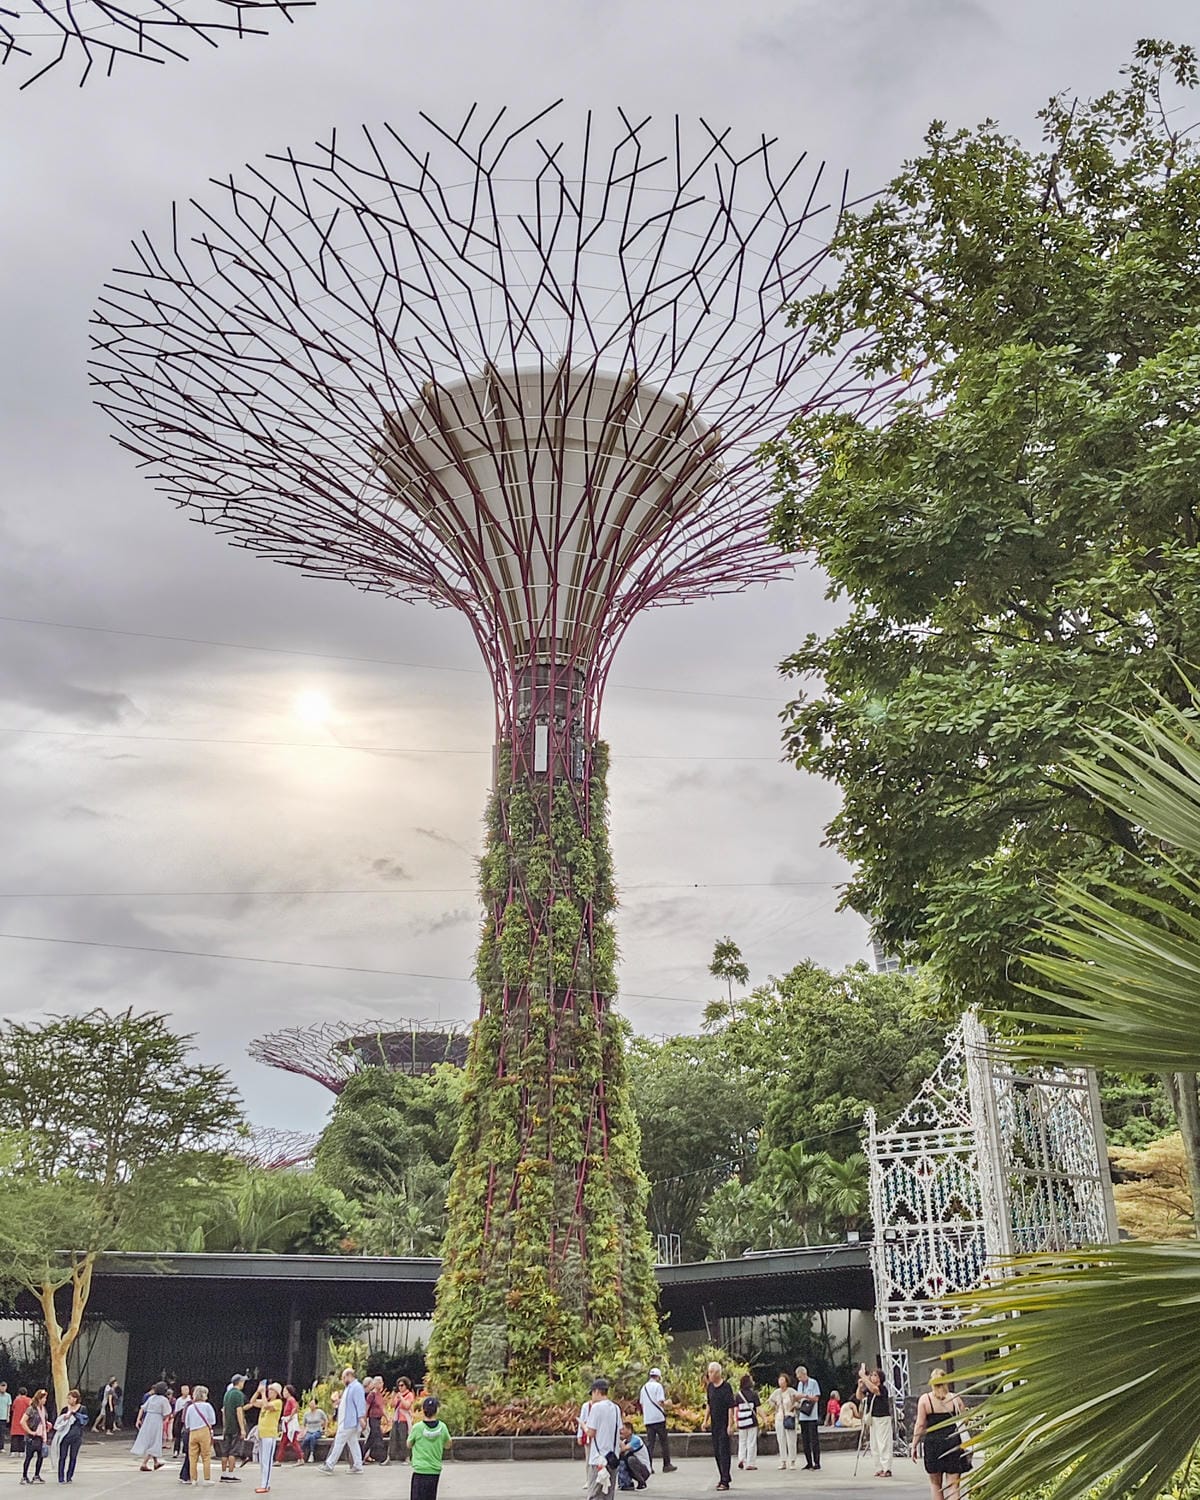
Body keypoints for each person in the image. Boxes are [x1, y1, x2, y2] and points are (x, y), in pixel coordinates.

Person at [914, 1370, 970, 1499]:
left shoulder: (925, 1400)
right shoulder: (955, 1398)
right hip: (953, 1443)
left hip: (933, 1444)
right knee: (953, 1485)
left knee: (936, 1485)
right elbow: (965, 1420)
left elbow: (920, 1424)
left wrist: (914, 1445)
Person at [583, 1379, 622, 1500]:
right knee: (608, 1494)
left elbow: (591, 1432)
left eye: (592, 1393)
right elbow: (619, 1430)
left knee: (595, 1493)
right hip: (612, 1457)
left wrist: (583, 1426)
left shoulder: (596, 1408)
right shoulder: (616, 1408)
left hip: (598, 1459)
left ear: (596, 1391)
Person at [323, 1367, 366, 1474]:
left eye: (343, 1377)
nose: (342, 1380)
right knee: (353, 1443)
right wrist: (339, 1402)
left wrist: (361, 1417)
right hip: (347, 1420)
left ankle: (330, 1464)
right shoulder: (350, 1388)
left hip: (349, 1421)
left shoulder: (356, 1387)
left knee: (339, 1442)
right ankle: (358, 1465)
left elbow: (360, 1403)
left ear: (349, 1376)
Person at [407, 1396, 451, 1500]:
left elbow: (409, 1444)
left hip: (420, 1469)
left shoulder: (417, 1428)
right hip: (434, 1471)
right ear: (437, 1410)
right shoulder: (442, 1427)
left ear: (423, 1410)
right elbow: (448, 1444)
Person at [704, 1362, 736, 1492]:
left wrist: (730, 1424)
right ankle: (724, 1476)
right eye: (709, 1372)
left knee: (724, 1452)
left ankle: (725, 1480)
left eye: (711, 1372)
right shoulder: (710, 1387)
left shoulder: (726, 1387)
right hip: (715, 1424)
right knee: (717, 1452)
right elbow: (709, 1405)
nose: (709, 1374)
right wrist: (705, 1420)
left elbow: (730, 1407)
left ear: (717, 1373)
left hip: (724, 1424)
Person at [637, 1369, 675, 1474]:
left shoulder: (643, 1388)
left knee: (650, 1443)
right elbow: (660, 1402)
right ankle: (666, 1464)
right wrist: (668, 1404)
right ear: (658, 1377)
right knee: (664, 1442)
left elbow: (641, 1403)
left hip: (648, 1419)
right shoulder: (658, 1386)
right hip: (658, 1418)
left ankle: (648, 1466)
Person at [247, 1382, 282, 1493]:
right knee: (262, 1461)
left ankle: (265, 1485)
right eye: (269, 1390)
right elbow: (252, 1402)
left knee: (267, 1460)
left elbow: (266, 1406)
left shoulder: (278, 1402)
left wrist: (262, 1394)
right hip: (262, 1434)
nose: (269, 1392)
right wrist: (258, 1391)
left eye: (272, 1390)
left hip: (269, 1435)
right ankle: (264, 1482)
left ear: (276, 1393)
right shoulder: (265, 1401)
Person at [132, 1383, 173, 1472]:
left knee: (151, 1440)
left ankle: (156, 1462)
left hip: (148, 1418)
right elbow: (167, 1412)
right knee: (155, 1441)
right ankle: (144, 1463)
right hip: (157, 1420)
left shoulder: (151, 1398)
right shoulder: (164, 1400)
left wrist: (138, 1419)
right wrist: (164, 1418)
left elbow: (142, 1408)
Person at [183, 1385, 217, 1487]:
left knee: (192, 1457)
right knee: (206, 1456)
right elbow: (213, 1421)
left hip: (192, 1433)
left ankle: (193, 1479)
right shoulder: (207, 1406)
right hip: (204, 1431)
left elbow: (187, 1424)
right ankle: (207, 1479)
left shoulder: (190, 1407)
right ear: (203, 1395)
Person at [862, 1369, 893, 1479]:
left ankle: (887, 1468)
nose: (872, 1377)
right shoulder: (869, 1389)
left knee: (883, 1443)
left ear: (880, 1378)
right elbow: (859, 1396)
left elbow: (875, 1390)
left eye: (875, 1375)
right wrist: (860, 1386)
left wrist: (864, 1377)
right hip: (873, 1418)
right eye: (871, 1375)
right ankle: (878, 1467)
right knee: (874, 1444)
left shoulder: (882, 1389)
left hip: (882, 1418)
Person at [53, 1390, 88, 1484]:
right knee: (62, 1456)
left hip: (77, 1435)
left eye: (70, 1398)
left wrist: (75, 1414)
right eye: (68, 1398)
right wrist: (65, 1418)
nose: (68, 1400)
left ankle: (69, 1476)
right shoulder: (65, 1409)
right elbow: (59, 1421)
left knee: (73, 1456)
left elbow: (84, 1420)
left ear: (75, 1399)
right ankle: (61, 1477)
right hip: (65, 1435)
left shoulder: (82, 1409)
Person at [220, 1377, 248, 1484]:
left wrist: (224, 1426)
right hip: (235, 1426)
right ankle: (230, 1474)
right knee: (233, 1451)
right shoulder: (238, 1394)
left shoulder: (227, 1394)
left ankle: (223, 1473)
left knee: (225, 1452)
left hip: (227, 1426)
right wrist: (242, 1428)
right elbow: (239, 1411)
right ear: (240, 1382)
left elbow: (224, 1410)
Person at [794, 1366, 821, 1473]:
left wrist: (805, 1396)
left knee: (814, 1440)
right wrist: (797, 1397)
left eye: (800, 1377)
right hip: (803, 1415)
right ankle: (808, 1462)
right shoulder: (800, 1384)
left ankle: (816, 1462)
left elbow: (816, 1398)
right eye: (798, 1378)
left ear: (805, 1374)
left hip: (812, 1415)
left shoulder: (813, 1383)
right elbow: (797, 1396)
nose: (799, 1379)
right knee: (805, 1440)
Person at [767, 1374, 796, 1470]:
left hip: (789, 1416)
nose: (781, 1382)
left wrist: (793, 1406)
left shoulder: (791, 1391)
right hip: (779, 1417)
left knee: (791, 1440)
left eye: (783, 1380)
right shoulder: (777, 1392)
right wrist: (774, 1406)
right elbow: (770, 1401)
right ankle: (783, 1461)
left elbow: (798, 1400)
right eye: (780, 1380)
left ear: (786, 1381)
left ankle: (792, 1461)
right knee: (781, 1439)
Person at [20, 1389, 49, 1485]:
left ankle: (37, 1475)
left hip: (41, 1436)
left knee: (40, 1456)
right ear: (39, 1399)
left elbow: (43, 1420)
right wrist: (30, 1431)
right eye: (44, 1398)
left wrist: (47, 1425)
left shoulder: (43, 1409)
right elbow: (22, 1421)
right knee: (29, 1457)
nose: (45, 1400)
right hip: (32, 1437)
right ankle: (24, 1476)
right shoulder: (31, 1409)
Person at [735, 1375, 759, 1472]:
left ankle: (741, 1459)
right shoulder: (754, 1394)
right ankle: (750, 1463)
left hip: (741, 1421)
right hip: (751, 1420)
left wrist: (735, 1421)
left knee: (742, 1441)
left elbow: (736, 1409)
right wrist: (764, 1418)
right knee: (751, 1442)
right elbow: (758, 1408)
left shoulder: (738, 1395)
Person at [388, 1378, 415, 1464]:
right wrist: (393, 1397)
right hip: (397, 1418)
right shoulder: (397, 1395)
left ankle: (407, 1457)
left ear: (406, 1385)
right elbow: (392, 1405)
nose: (400, 1387)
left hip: (405, 1419)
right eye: (399, 1386)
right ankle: (392, 1456)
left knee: (404, 1438)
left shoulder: (409, 1395)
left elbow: (407, 1405)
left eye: (402, 1385)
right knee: (394, 1437)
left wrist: (401, 1398)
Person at [616, 1423, 648, 1491]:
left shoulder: (636, 1440)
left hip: (644, 1470)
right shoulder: (625, 1441)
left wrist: (618, 1440)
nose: (621, 1431)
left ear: (630, 1430)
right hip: (634, 1468)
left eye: (623, 1429)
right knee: (621, 1460)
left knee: (631, 1459)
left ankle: (642, 1482)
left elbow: (624, 1449)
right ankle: (626, 1483)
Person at [364, 1377, 386, 1464]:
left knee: (371, 1439)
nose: (382, 1384)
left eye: (382, 1382)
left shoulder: (379, 1395)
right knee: (378, 1437)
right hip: (373, 1418)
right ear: (375, 1384)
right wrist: (364, 1419)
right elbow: (366, 1407)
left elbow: (382, 1407)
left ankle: (362, 1455)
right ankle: (383, 1458)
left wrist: (387, 1417)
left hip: (378, 1418)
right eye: (380, 1383)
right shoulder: (371, 1395)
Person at [174, 1386, 193, 1459]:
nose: (186, 1391)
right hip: (179, 1416)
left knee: (187, 1434)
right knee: (177, 1434)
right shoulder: (179, 1400)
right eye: (184, 1390)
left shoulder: (190, 1399)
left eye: (187, 1389)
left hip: (187, 1416)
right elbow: (176, 1410)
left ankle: (185, 1450)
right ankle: (176, 1450)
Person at [11, 1387, 30, 1456]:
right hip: (24, 1419)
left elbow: (13, 1408)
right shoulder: (28, 1400)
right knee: (22, 1436)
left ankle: (13, 1451)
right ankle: (21, 1451)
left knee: (15, 1436)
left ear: (19, 1393)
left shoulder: (16, 1400)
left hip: (16, 1419)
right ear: (26, 1393)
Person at [0, 1382, 11, 1448]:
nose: (3, 1388)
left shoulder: (8, 1396)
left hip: (3, 1417)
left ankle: (1, 1447)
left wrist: (8, 1416)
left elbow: (8, 1406)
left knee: (2, 1433)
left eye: (4, 1387)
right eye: (2, 1386)